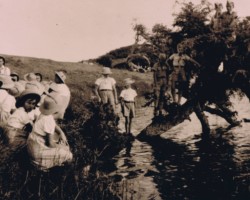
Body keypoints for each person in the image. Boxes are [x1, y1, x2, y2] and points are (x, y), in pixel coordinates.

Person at [27, 93, 73, 171]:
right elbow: (50, 144)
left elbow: (53, 124)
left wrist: (61, 132)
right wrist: (62, 147)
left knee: (59, 141)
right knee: (69, 155)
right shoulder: (48, 120)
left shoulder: (44, 114)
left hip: (32, 145)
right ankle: (59, 171)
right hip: (37, 153)